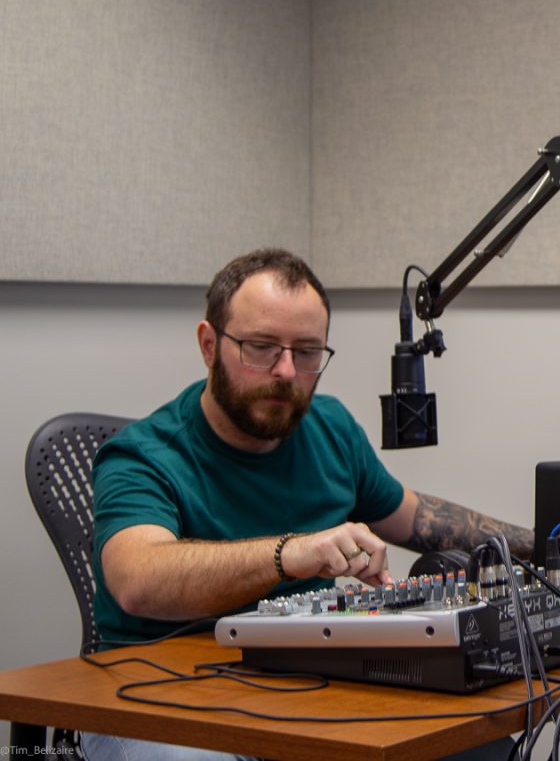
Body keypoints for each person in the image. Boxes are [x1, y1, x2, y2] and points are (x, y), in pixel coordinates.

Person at [82, 248, 532, 761]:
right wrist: (288, 554)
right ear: (209, 345)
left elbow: (415, 518)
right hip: (156, 698)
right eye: (261, 348)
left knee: (479, 747)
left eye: (308, 352)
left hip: (305, 687)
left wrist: (547, 541)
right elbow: (137, 580)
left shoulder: (330, 427)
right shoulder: (143, 454)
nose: (288, 371)